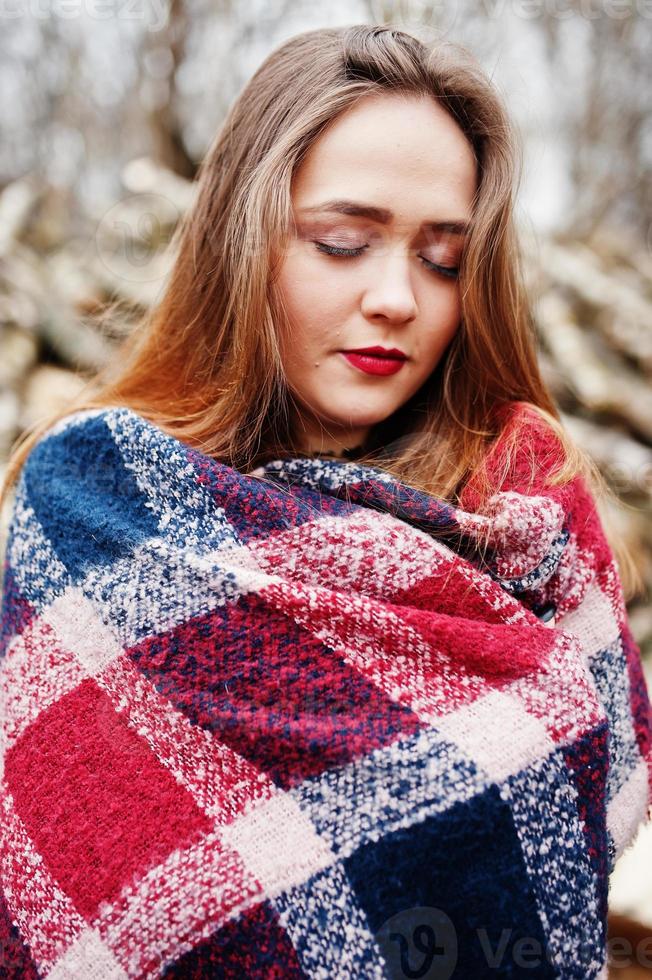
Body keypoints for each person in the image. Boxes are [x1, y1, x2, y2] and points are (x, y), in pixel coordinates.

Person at [1, 23, 650, 980]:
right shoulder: (95, 502)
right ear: (241, 239)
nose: (396, 296)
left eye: (443, 259)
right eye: (343, 243)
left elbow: (597, 833)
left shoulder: (525, 502)